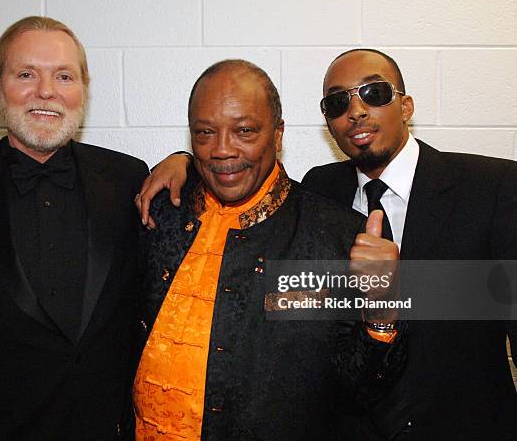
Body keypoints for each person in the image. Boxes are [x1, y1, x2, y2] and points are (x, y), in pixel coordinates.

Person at [137, 49, 517, 440]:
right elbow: (234, 165)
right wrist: (183, 160)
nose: (356, 112)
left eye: (373, 93)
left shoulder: (492, 188)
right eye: (338, 102)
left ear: (406, 106)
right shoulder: (322, 192)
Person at [133, 59, 406, 440]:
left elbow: (359, 392)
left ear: (277, 135)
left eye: (244, 131)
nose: (222, 150)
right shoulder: (161, 212)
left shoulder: (334, 236)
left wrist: (383, 312)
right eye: (205, 133)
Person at [0, 16, 148, 440]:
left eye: (64, 76)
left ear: (83, 92)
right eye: (26, 74)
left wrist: (183, 159)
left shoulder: (130, 180)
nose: (47, 91)